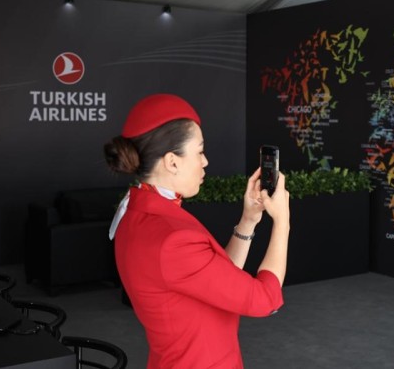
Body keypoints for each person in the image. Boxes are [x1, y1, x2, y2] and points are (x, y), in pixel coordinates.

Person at [103, 93, 290, 369]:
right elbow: (266, 299)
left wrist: (248, 220)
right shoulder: (173, 238)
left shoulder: (135, 213)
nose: (205, 162)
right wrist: (283, 223)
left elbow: (219, 277)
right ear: (172, 162)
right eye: (199, 152)